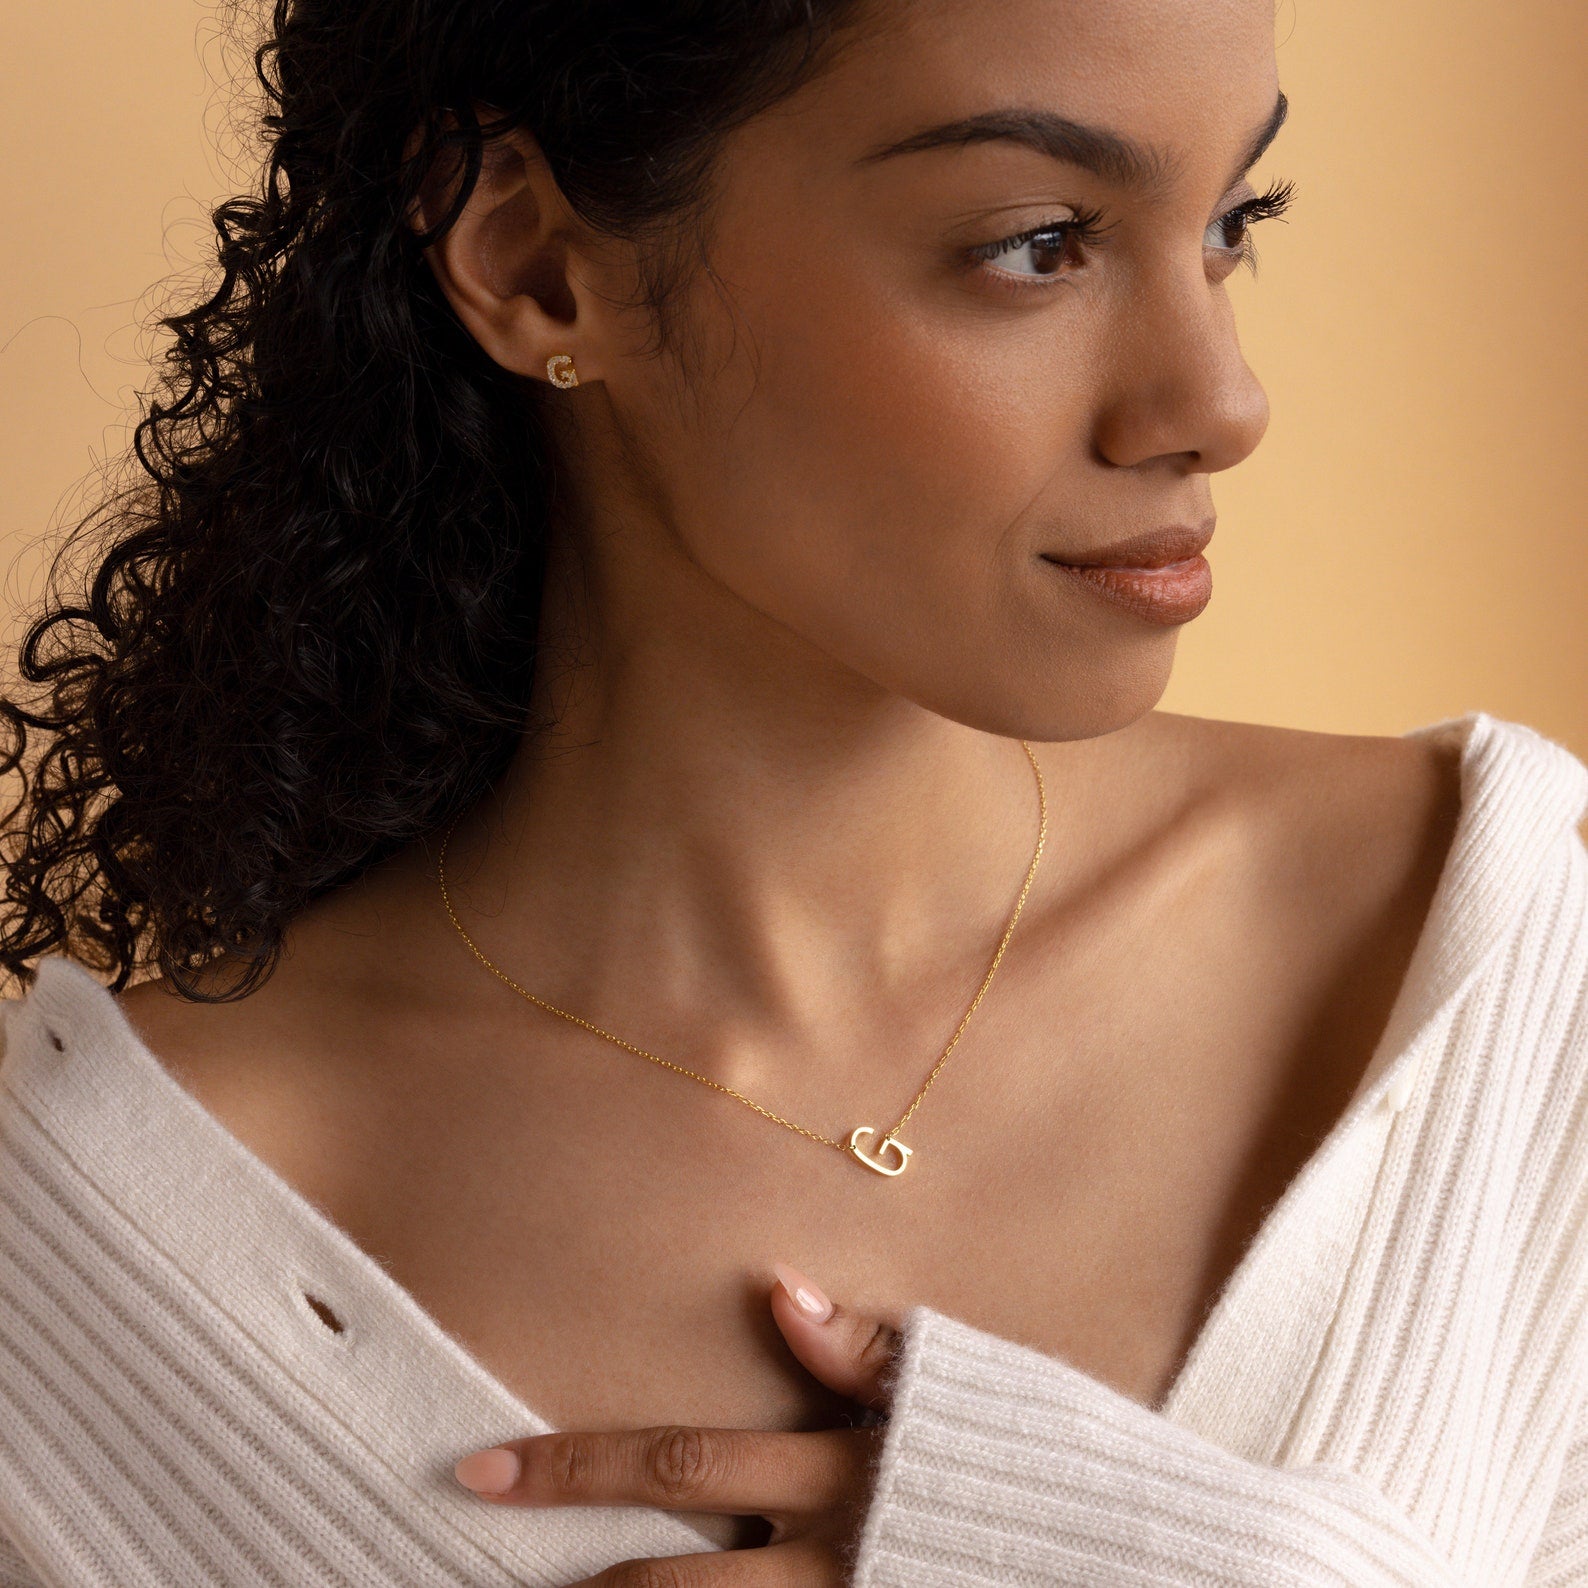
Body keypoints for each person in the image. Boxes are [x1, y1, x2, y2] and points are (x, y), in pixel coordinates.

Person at [1, 0, 1584, 1583]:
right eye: (1038, 243)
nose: (1220, 405)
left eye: (1236, 221)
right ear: (538, 263)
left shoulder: (1509, 971)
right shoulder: (81, 1278)